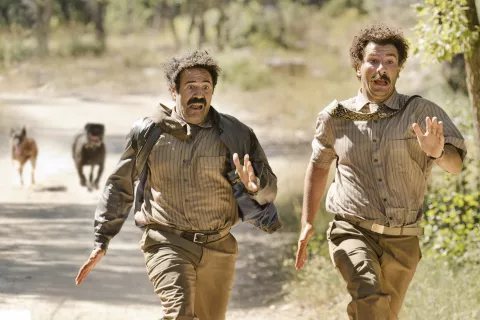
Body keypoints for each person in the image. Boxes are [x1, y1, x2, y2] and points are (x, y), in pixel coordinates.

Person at [75, 49, 280, 320]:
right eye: (191, 86)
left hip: (219, 245)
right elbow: (120, 185)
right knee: (179, 312)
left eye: (205, 87)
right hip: (166, 241)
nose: (199, 93)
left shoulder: (236, 134)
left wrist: (255, 187)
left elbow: (269, 190)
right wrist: (102, 239)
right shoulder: (149, 132)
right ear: (174, 91)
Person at [295, 24, 467, 319]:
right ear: (357, 67)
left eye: (389, 62)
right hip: (351, 229)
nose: (381, 68)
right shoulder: (335, 117)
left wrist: (437, 152)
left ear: (399, 69)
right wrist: (307, 222)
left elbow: (456, 165)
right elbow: (319, 166)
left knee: (382, 313)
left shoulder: (421, 112)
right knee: (369, 297)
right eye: (373, 60)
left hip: (403, 240)